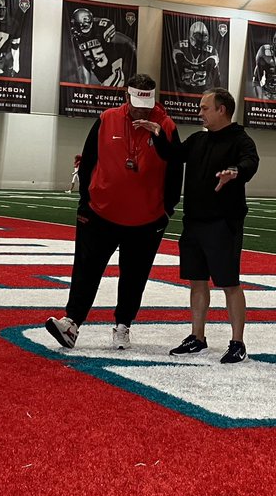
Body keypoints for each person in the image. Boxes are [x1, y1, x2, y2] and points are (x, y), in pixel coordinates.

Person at [45, 74, 182, 351]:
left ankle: (123, 325)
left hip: (147, 218)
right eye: (137, 102)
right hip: (99, 213)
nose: (142, 109)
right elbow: (88, 160)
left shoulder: (166, 126)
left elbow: (176, 168)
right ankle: (72, 323)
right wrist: (85, 201)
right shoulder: (107, 119)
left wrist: (167, 210)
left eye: (147, 102)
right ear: (125, 96)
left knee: (135, 274)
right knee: (86, 269)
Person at [148, 87, 259, 364]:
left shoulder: (240, 140)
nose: (200, 113)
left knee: (229, 283)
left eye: (205, 108)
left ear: (222, 109)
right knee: (197, 282)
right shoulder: (198, 139)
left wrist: (236, 172)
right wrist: (157, 135)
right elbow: (174, 155)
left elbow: (250, 162)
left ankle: (237, 343)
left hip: (224, 223)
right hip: (194, 222)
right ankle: (197, 337)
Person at [68, 6, 135, 86]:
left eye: (78, 26)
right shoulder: (77, 38)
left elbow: (121, 39)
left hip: (113, 74)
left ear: (86, 24)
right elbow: (85, 64)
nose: (75, 29)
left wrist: (131, 44)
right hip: (100, 78)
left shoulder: (101, 28)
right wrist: (85, 86)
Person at [171, 21, 222, 92]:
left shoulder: (211, 52)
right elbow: (174, 72)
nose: (201, 39)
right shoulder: (180, 48)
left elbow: (216, 77)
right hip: (183, 90)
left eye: (204, 35)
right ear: (191, 35)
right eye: (199, 35)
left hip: (203, 90)